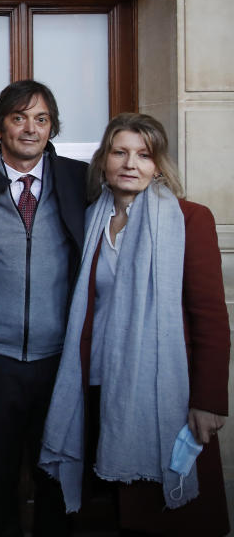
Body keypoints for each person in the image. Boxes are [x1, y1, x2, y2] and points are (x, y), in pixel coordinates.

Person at [40, 113, 230, 536]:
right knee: (109, 515)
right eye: (120, 152)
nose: (131, 163)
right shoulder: (88, 222)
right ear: (103, 161)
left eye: (144, 155)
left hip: (165, 393)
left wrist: (210, 399)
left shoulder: (189, 220)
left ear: (159, 165)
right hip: (96, 387)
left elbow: (211, 316)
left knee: (166, 518)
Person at [0, 79, 87, 537]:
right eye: (19, 117)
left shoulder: (78, 180)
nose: (31, 129)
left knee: (55, 477)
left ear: (52, 128)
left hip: (59, 360)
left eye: (41, 119)